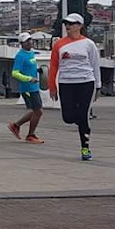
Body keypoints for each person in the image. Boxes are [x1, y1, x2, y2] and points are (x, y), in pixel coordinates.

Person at [48, 13, 101, 161]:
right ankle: (82, 120)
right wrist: (52, 86)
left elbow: (95, 65)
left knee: (83, 116)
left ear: (80, 26)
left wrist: (98, 86)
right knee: (68, 117)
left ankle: (85, 147)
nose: (68, 26)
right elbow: (53, 66)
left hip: (85, 82)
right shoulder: (59, 44)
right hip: (66, 83)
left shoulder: (89, 44)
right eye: (66, 24)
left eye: (71, 24)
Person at [8, 32, 44, 144]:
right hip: (28, 87)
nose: (30, 42)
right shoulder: (20, 56)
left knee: (36, 111)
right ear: (22, 43)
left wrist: (38, 71)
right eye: (27, 41)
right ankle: (30, 135)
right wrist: (28, 79)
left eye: (30, 40)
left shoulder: (31, 53)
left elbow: (29, 68)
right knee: (38, 111)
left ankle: (16, 125)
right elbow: (15, 73)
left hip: (34, 86)